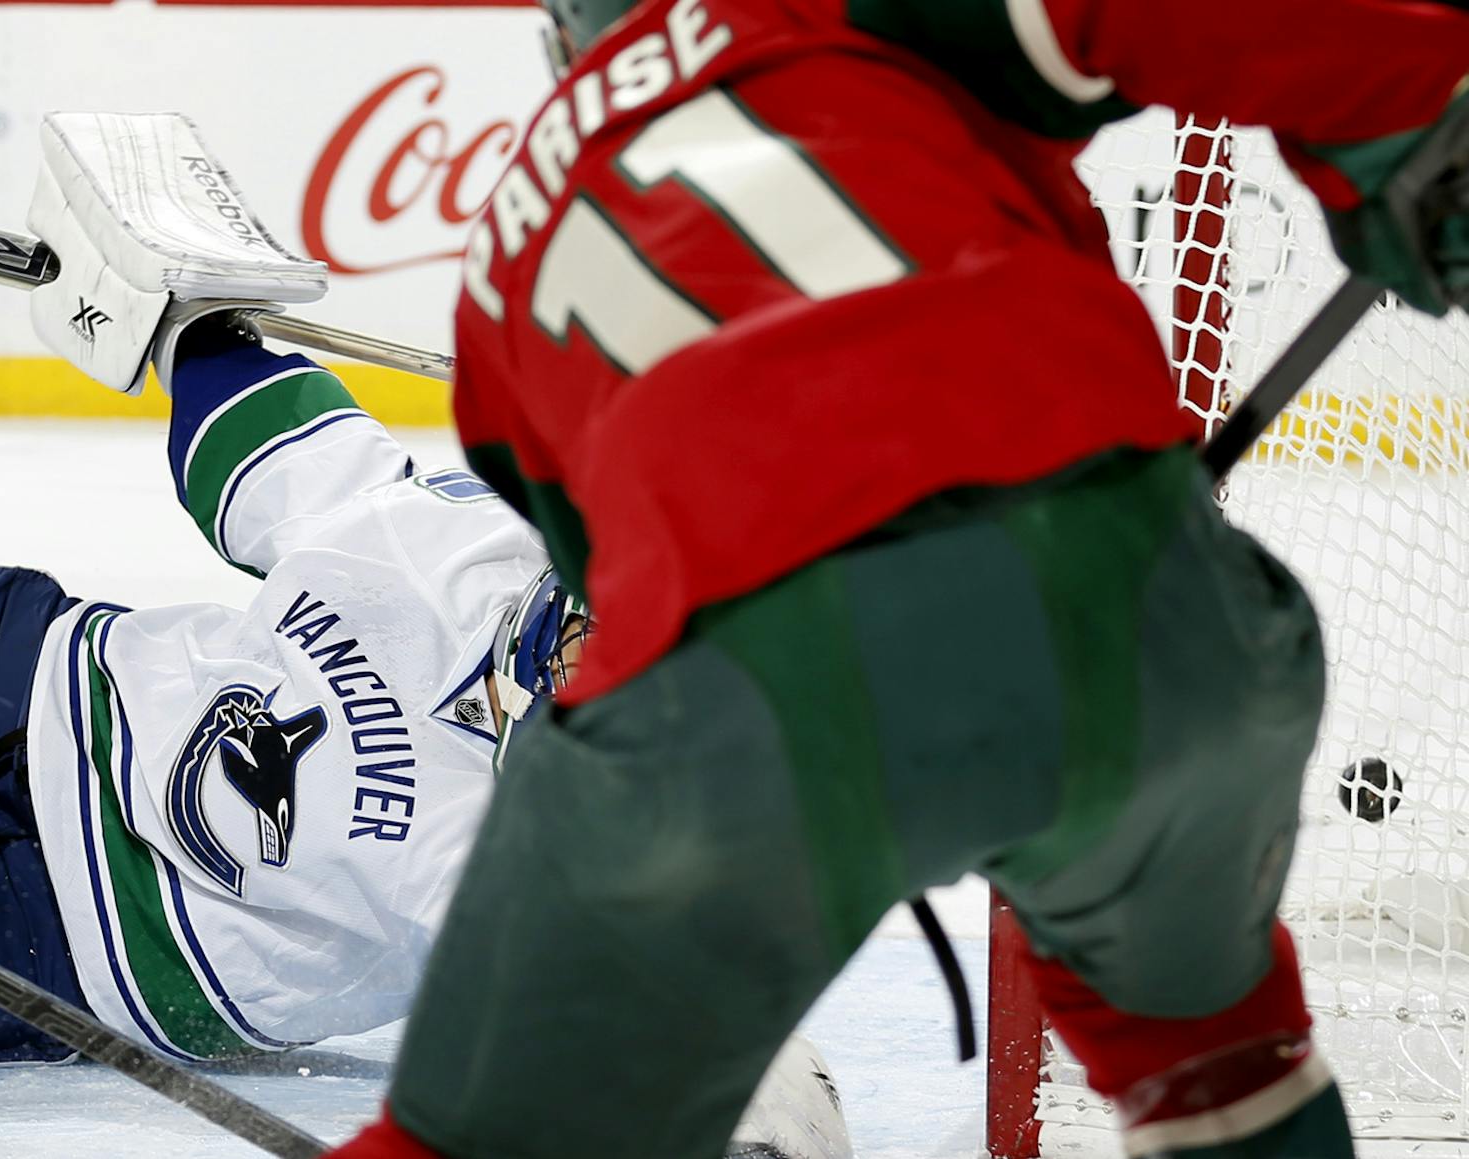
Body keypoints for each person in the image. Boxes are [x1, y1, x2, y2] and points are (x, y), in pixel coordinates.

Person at [303, 0, 1469, 1156]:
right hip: (1152, 608)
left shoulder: (496, 282)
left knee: (469, 1140)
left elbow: (609, 592)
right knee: (1218, 1055)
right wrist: (1425, 123)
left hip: (753, 710)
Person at [0, 110, 849, 1158]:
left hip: (95, 942)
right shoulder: (471, 544)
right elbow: (277, 455)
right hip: (33, 673)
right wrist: (183, 315)